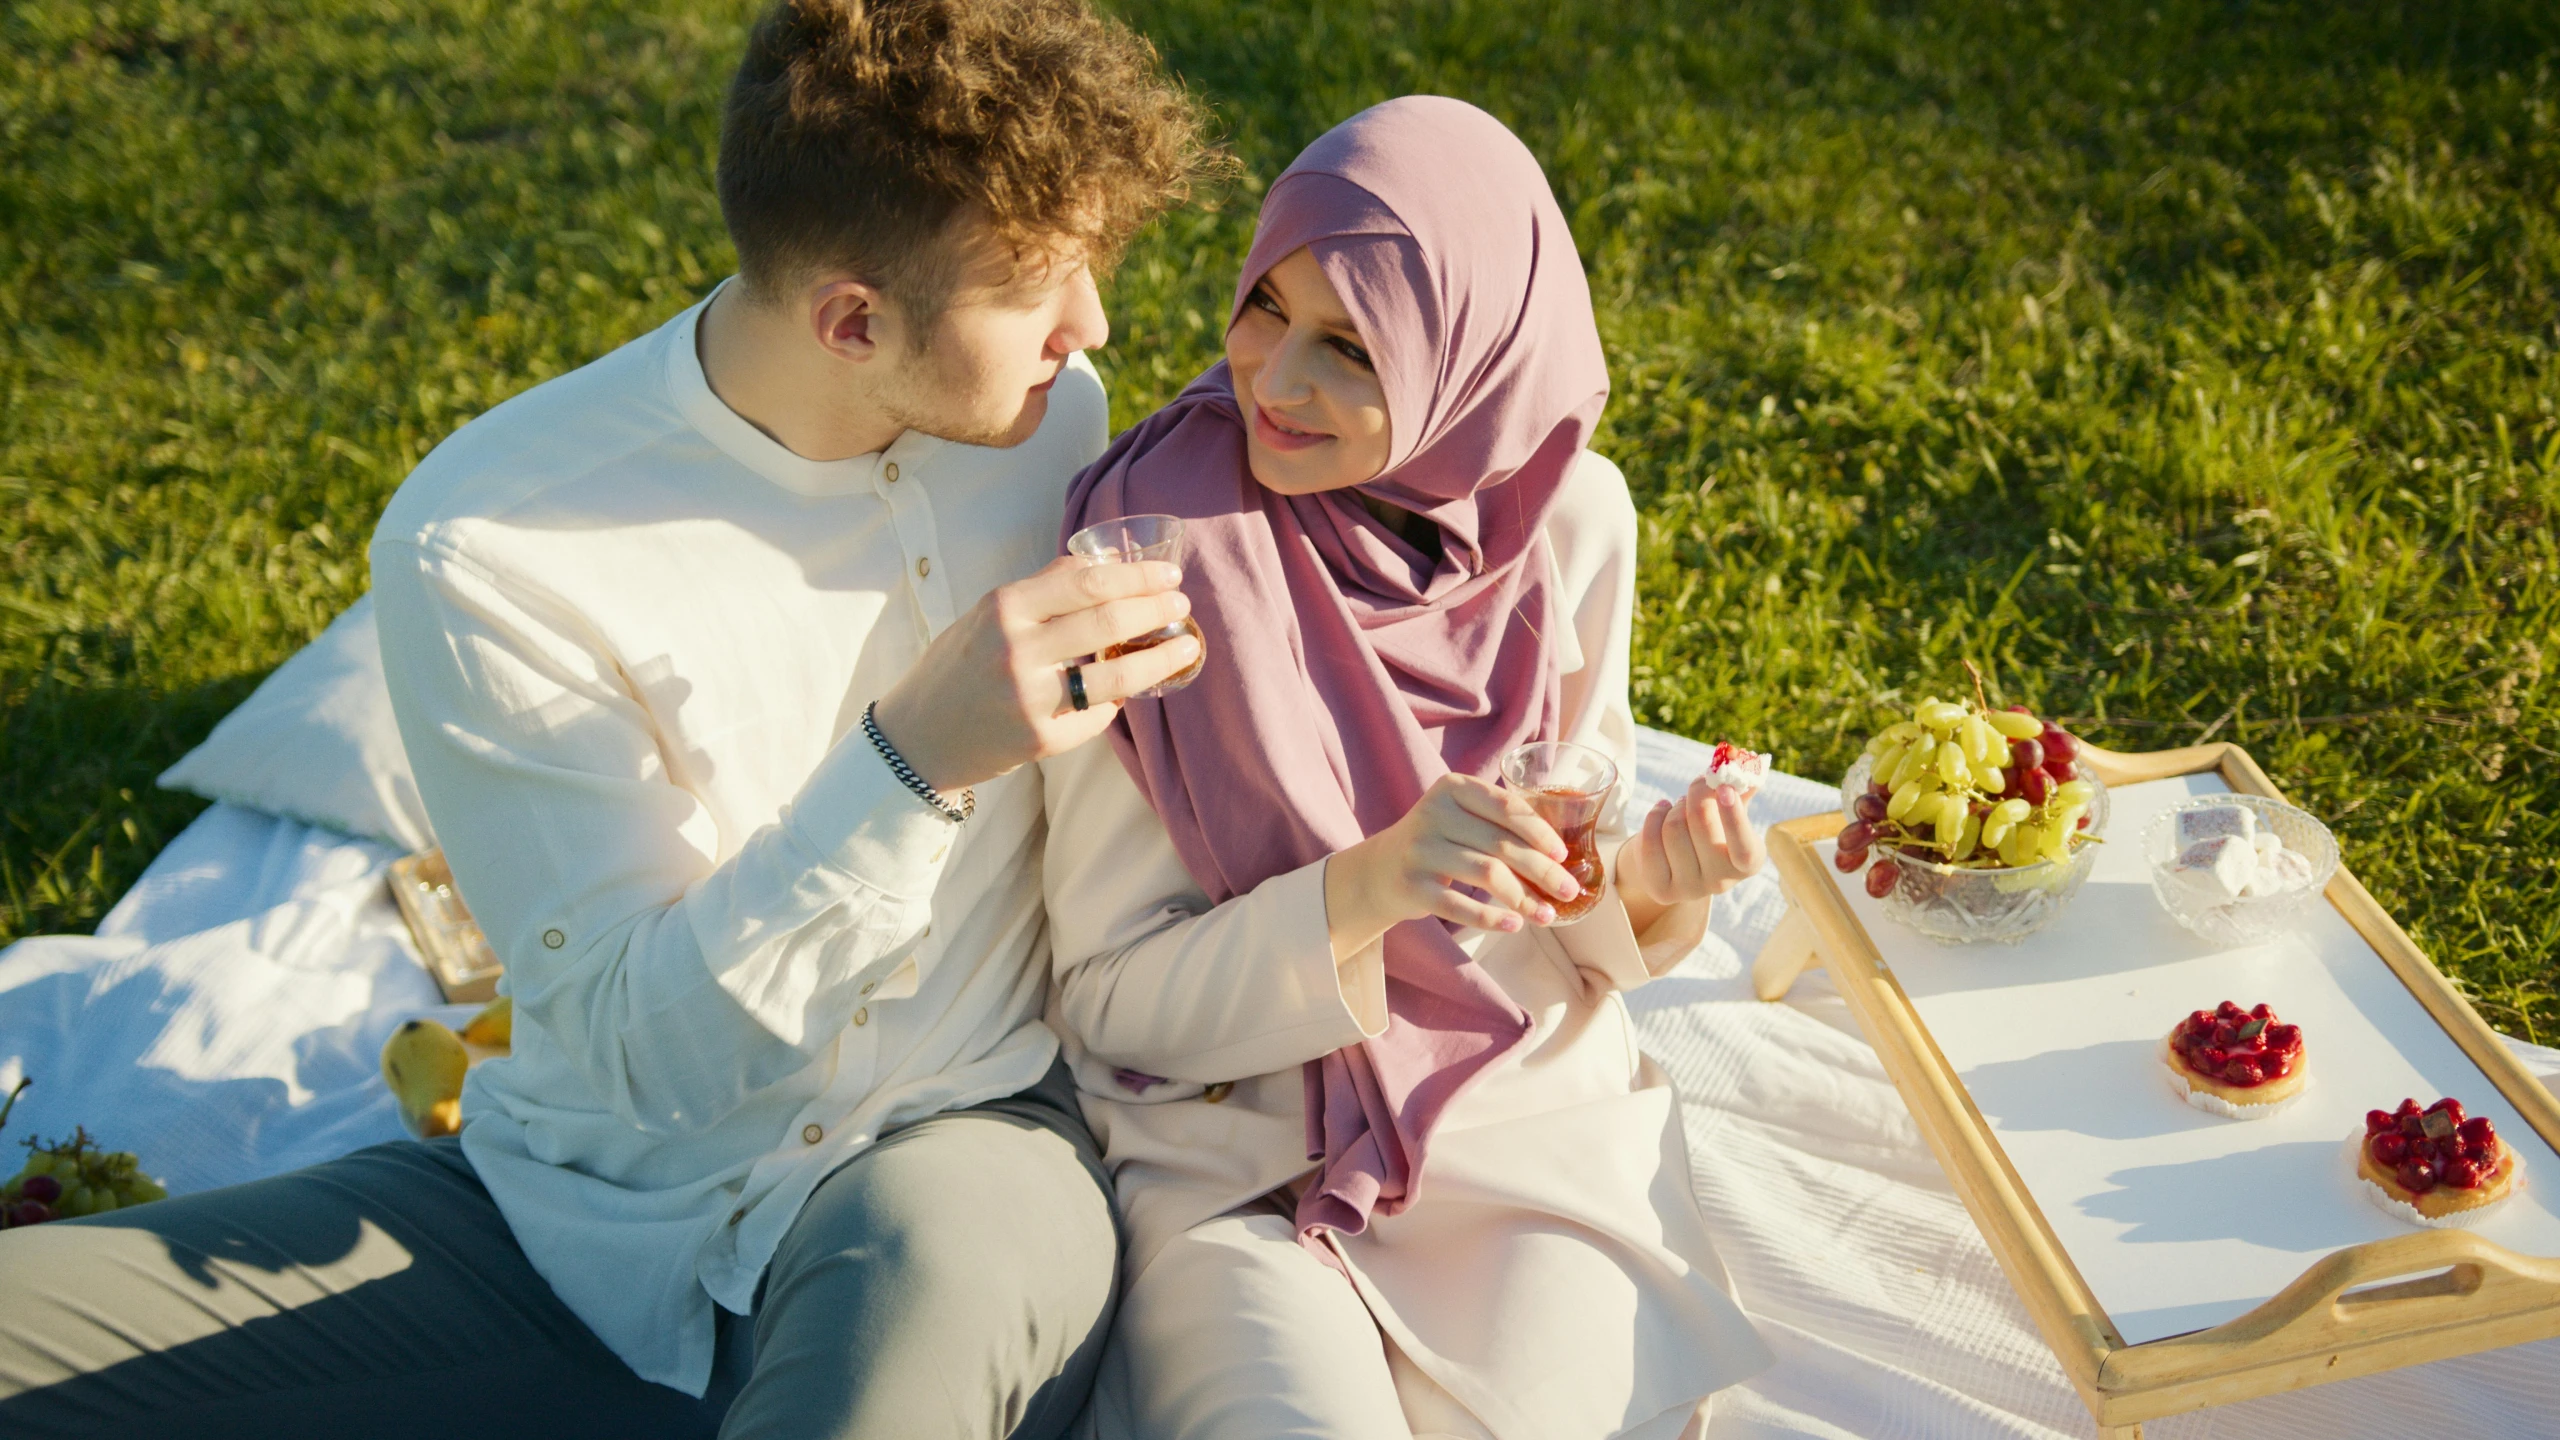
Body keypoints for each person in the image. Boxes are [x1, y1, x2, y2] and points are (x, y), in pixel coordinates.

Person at [0, 2, 1217, 1436]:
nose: (1095, 330)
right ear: (851, 319)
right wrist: (912, 763)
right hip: (589, 1221)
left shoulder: (1050, 413)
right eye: (1038, 286)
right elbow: (645, 1063)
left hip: (950, 1150)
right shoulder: (494, 539)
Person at [1042, 96, 1778, 1440]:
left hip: (1504, 1101)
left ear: (1474, 359)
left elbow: (1568, 898)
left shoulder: (1565, 522)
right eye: (1264, 306)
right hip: (1237, 1155)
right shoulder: (1154, 549)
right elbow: (1104, 1001)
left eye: (1351, 349)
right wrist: (1366, 886)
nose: (1272, 383)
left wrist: (1653, 886)